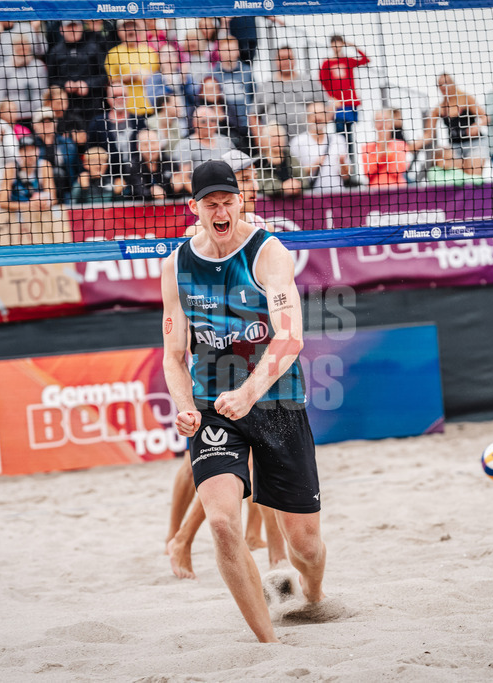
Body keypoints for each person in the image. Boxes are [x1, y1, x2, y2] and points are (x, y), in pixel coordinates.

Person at [161, 160, 326, 642]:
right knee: (223, 523)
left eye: (227, 201)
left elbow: (290, 337)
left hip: (277, 403)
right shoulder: (176, 265)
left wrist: (249, 391)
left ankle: (313, 597)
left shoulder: (267, 252)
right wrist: (183, 403)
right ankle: (270, 648)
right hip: (216, 405)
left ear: (240, 202)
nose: (220, 210)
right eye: (210, 203)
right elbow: (174, 355)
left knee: (306, 545)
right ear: (194, 208)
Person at [254, 45, 322, 140]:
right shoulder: (266, 86)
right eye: (282, 58)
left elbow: (328, 106)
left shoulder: (308, 82)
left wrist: (318, 132)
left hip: (305, 142)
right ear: (276, 60)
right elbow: (253, 114)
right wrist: (259, 138)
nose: (286, 62)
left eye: (289, 58)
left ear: (295, 60)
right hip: (275, 145)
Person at [319, 35, 369, 162]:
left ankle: (350, 165)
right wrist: (331, 98)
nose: (337, 47)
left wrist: (353, 46)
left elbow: (365, 59)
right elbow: (322, 82)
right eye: (334, 44)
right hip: (338, 105)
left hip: (350, 103)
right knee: (340, 134)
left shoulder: (348, 61)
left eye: (339, 43)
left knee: (349, 135)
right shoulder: (327, 63)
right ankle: (341, 162)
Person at [430, 73, 488, 177]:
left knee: (474, 178)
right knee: (458, 179)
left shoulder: (466, 99)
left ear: (453, 84)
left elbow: (485, 117)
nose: (444, 87)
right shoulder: (439, 108)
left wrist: (476, 126)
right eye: (440, 84)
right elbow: (429, 134)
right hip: (455, 147)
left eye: (446, 83)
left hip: (474, 143)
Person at [171, 104, 235, 195]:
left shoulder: (225, 141)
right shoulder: (186, 145)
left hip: (227, 190)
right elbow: (183, 178)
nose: (209, 125)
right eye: (203, 121)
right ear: (194, 123)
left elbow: (235, 169)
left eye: (212, 120)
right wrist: (201, 196)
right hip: (201, 193)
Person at [290, 100, 352, 192]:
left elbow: (346, 176)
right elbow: (293, 175)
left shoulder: (338, 140)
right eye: (313, 114)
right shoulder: (297, 142)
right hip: (311, 198)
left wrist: (343, 164)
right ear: (307, 118)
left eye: (321, 114)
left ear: (327, 117)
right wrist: (314, 165)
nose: (318, 117)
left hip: (338, 196)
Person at [104, 19, 160, 118]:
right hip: (126, 111)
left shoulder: (150, 52)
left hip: (150, 107)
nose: (130, 30)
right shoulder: (113, 53)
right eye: (126, 27)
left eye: (133, 26)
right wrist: (129, 77)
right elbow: (109, 83)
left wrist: (150, 77)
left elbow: (159, 77)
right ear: (119, 31)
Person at [0, 135, 57, 213]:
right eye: (25, 150)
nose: (29, 154)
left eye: (32, 149)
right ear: (19, 152)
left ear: (38, 151)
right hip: (14, 214)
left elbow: (53, 198)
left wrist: (44, 203)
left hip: (36, 213)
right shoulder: (11, 168)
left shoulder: (44, 166)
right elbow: (2, 202)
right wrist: (28, 205)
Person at [361, 108, 410, 187]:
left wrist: (379, 159)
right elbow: (369, 172)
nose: (382, 124)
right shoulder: (367, 147)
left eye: (385, 120)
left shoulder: (401, 145)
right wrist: (385, 152)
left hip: (398, 190)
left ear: (391, 123)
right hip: (376, 191)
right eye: (378, 121)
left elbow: (397, 170)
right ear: (374, 124)